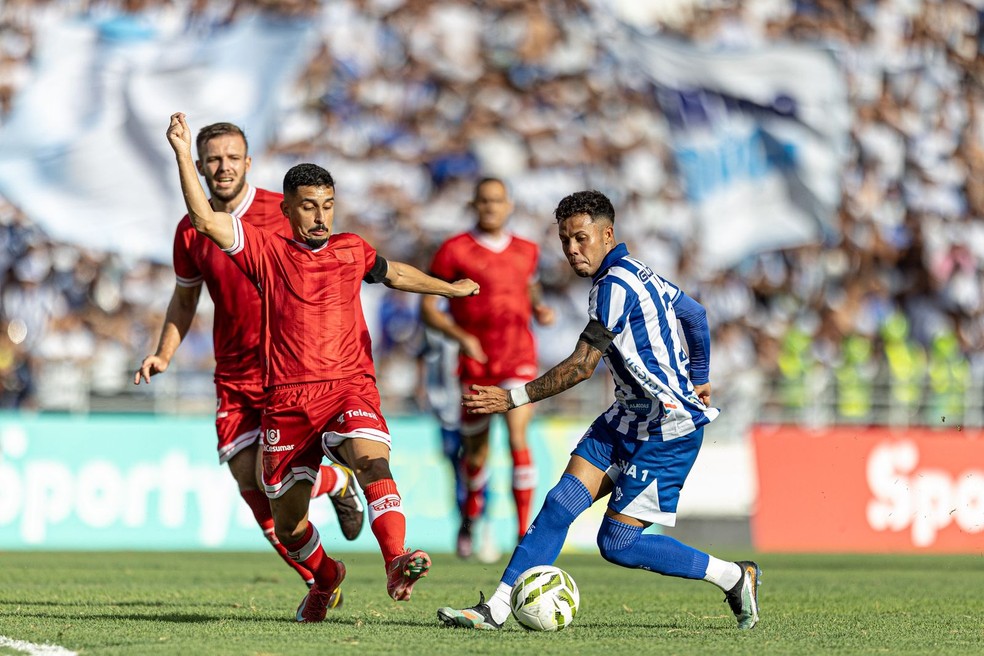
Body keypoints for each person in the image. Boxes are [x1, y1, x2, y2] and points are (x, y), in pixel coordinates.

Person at [164, 112, 480, 623]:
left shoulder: (352, 249)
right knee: (287, 525)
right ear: (286, 209)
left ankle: (396, 559)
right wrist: (182, 152)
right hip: (287, 400)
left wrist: (448, 288)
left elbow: (393, 272)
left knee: (372, 461)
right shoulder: (265, 250)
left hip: (349, 387)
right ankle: (326, 576)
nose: (320, 217)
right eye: (309, 207)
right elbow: (204, 220)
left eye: (328, 206)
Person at [437, 190, 761, 631]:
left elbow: (581, 366)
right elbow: (696, 315)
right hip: (626, 417)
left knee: (617, 543)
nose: (572, 250)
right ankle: (494, 608)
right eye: (565, 240)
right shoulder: (638, 272)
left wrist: (511, 397)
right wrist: (700, 373)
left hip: (668, 428)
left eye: (581, 238)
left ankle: (733, 575)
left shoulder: (615, 285)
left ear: (607, 234)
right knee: (558, 505)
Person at [134, 121, 365, 590]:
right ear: (199, 166)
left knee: (269, 476)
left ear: (248, 164)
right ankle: (321, 574)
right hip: (234, 369)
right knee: (247, 478)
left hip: (289, 368)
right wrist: (163, 352)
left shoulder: (282, 214)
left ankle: (336, 488)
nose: (223, 167)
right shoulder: (190, 230)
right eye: (214, 159)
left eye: (232, 158)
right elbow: (185, 298)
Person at [421, 177, 555, 558]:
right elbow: (429, 308)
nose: (491, 207)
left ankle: (524, 535)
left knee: (517, 439)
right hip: (476, 365)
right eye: (484, 201)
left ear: (509, 205)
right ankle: (469, 521)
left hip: (518, 359)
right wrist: (460, 337)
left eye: (497, 201)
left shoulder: (527, 250)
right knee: (475, 456)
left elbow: (530, 286)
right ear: (474, 205)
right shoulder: (454, 251)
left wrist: (539, 308)